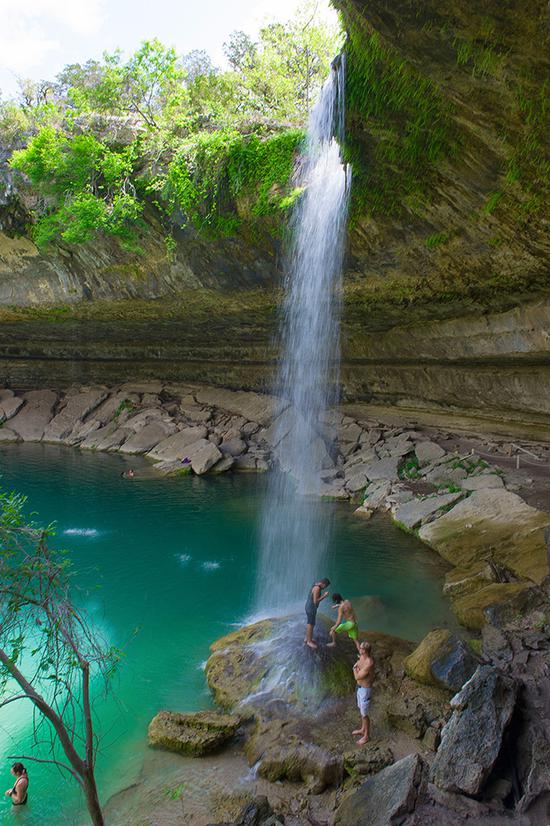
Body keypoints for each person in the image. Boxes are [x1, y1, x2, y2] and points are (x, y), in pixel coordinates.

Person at [353, 640, 375, 745]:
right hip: (359, 687)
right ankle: (362, 729)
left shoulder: (369, 662)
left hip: (365, 690)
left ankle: (366, 736)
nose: (359, 649)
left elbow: (357, 676)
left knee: (365, 714)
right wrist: (357, 669)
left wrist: (354, 669)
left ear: (365, 651)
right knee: (361, 710)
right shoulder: (361, 657)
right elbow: (358, 667)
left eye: (361, 648)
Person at [304, 578, 330, 649]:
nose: (325, 588)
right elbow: (315, 601)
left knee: (310, 623)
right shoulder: (317, 588)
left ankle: (307, 638)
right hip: (311, 608)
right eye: (326, 586)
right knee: (311, 624)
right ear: (324, 584)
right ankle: (309, 641)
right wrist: (324, 596)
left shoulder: (316, 584)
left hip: (308, 606)